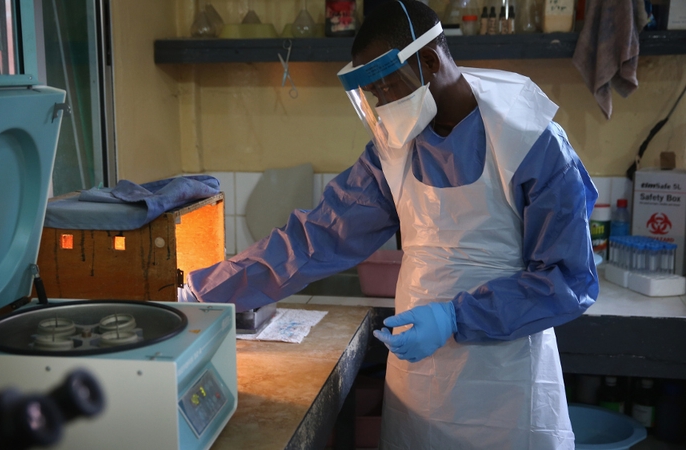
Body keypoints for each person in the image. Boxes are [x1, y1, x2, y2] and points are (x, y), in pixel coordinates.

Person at [181, 0, 598, 448]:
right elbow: (317, 238)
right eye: (374, 95)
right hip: (420, 381)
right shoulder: (394, 151)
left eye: (387, 88)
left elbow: (567, 279)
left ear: (431, 61)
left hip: (506, 384)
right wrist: (200, 293)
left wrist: (456, 317)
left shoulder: (531, 140)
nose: (382, 106)